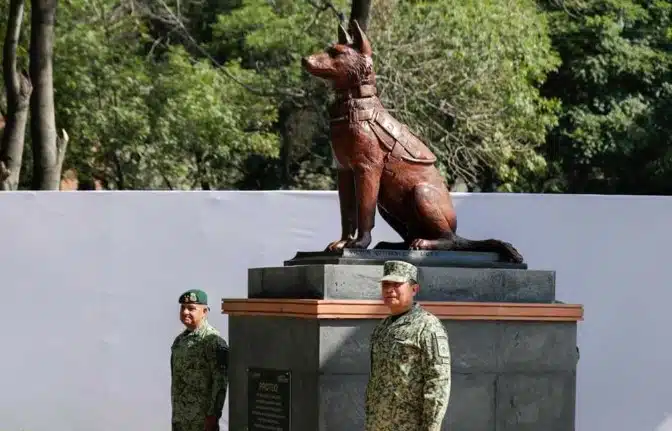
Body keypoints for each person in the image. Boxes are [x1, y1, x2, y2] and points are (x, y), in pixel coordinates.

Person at [365, 260, 452, 431]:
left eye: (397, 284)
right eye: (385, 284)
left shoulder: (428, 327)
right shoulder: (383, 327)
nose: (389, 290)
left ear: (414, 289)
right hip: (378, 424)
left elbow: (438, 383)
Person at [171, 289, 229, 431]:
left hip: (201, 423)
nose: (185, 312)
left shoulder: (213, 342)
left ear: (204, 312)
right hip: (181, 420)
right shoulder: (180, 341)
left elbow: (220, 382)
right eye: (183, 308)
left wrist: (213, 417)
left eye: (191, 308)